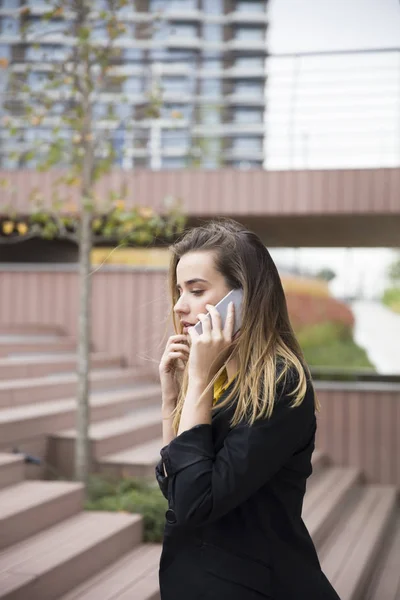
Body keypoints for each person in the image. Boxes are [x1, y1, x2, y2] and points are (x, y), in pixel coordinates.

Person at [155, 218, 341, 600]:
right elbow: (175, 489)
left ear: (243, 297)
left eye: (196, 290)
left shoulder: (280, 382)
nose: (180, 306)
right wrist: (172, 399)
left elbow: (193, 503)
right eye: (179, 291)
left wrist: (198, 383)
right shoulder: (217, 377)